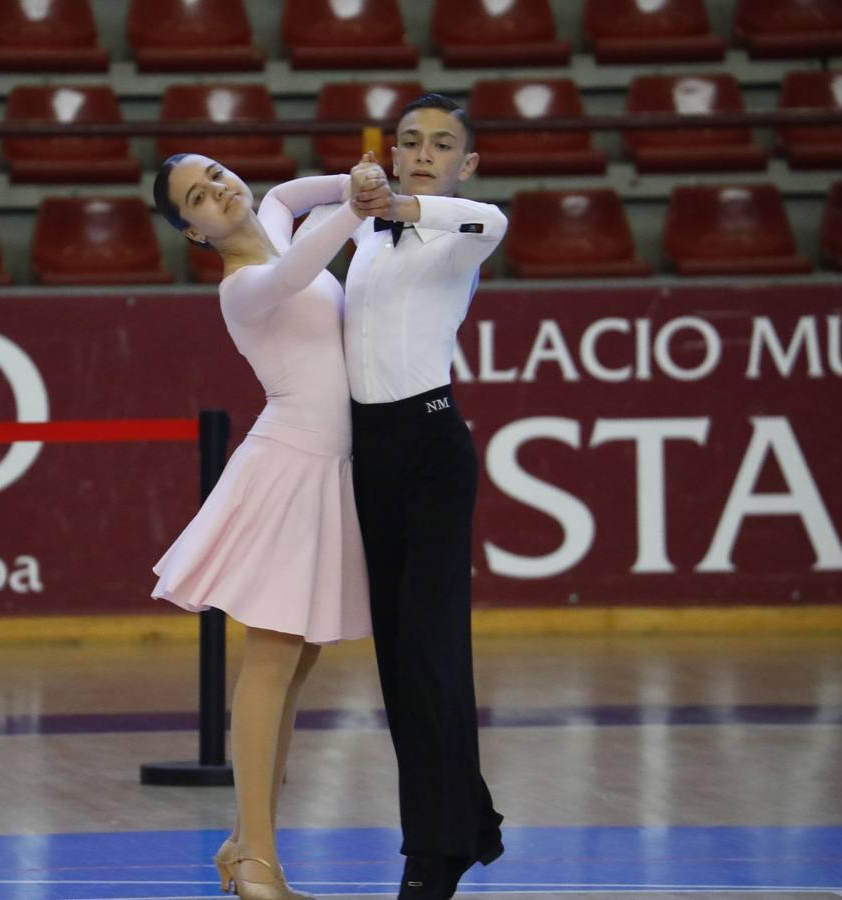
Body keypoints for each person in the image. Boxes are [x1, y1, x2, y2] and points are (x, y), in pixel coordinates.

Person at [279, 93, 509, 900]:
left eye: (440, 144)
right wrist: (355, 192)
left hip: (432, 449)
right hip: (370, 452)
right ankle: (468, 819)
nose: (422, 152)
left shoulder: (466, 226)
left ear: (465, 163)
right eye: (409, 141)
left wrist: (402, 199)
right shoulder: (365, 233)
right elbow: (282, 212)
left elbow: (482, 221)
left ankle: (434, 853)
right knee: (400, 662)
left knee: (431, 654)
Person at [150, 154, 390, 900]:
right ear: (194, 232)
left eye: (216, 174)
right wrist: (357, 205)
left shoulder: (279, 223)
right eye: (199, 198)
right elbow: (294, 275)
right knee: (275, 654)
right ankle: (256, 860)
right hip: (290, 468)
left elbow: (286, 194)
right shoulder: (244, 287)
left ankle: (247, 842)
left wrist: (364, 179)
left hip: (327, 468)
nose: (219, 190)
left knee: (301, 655)